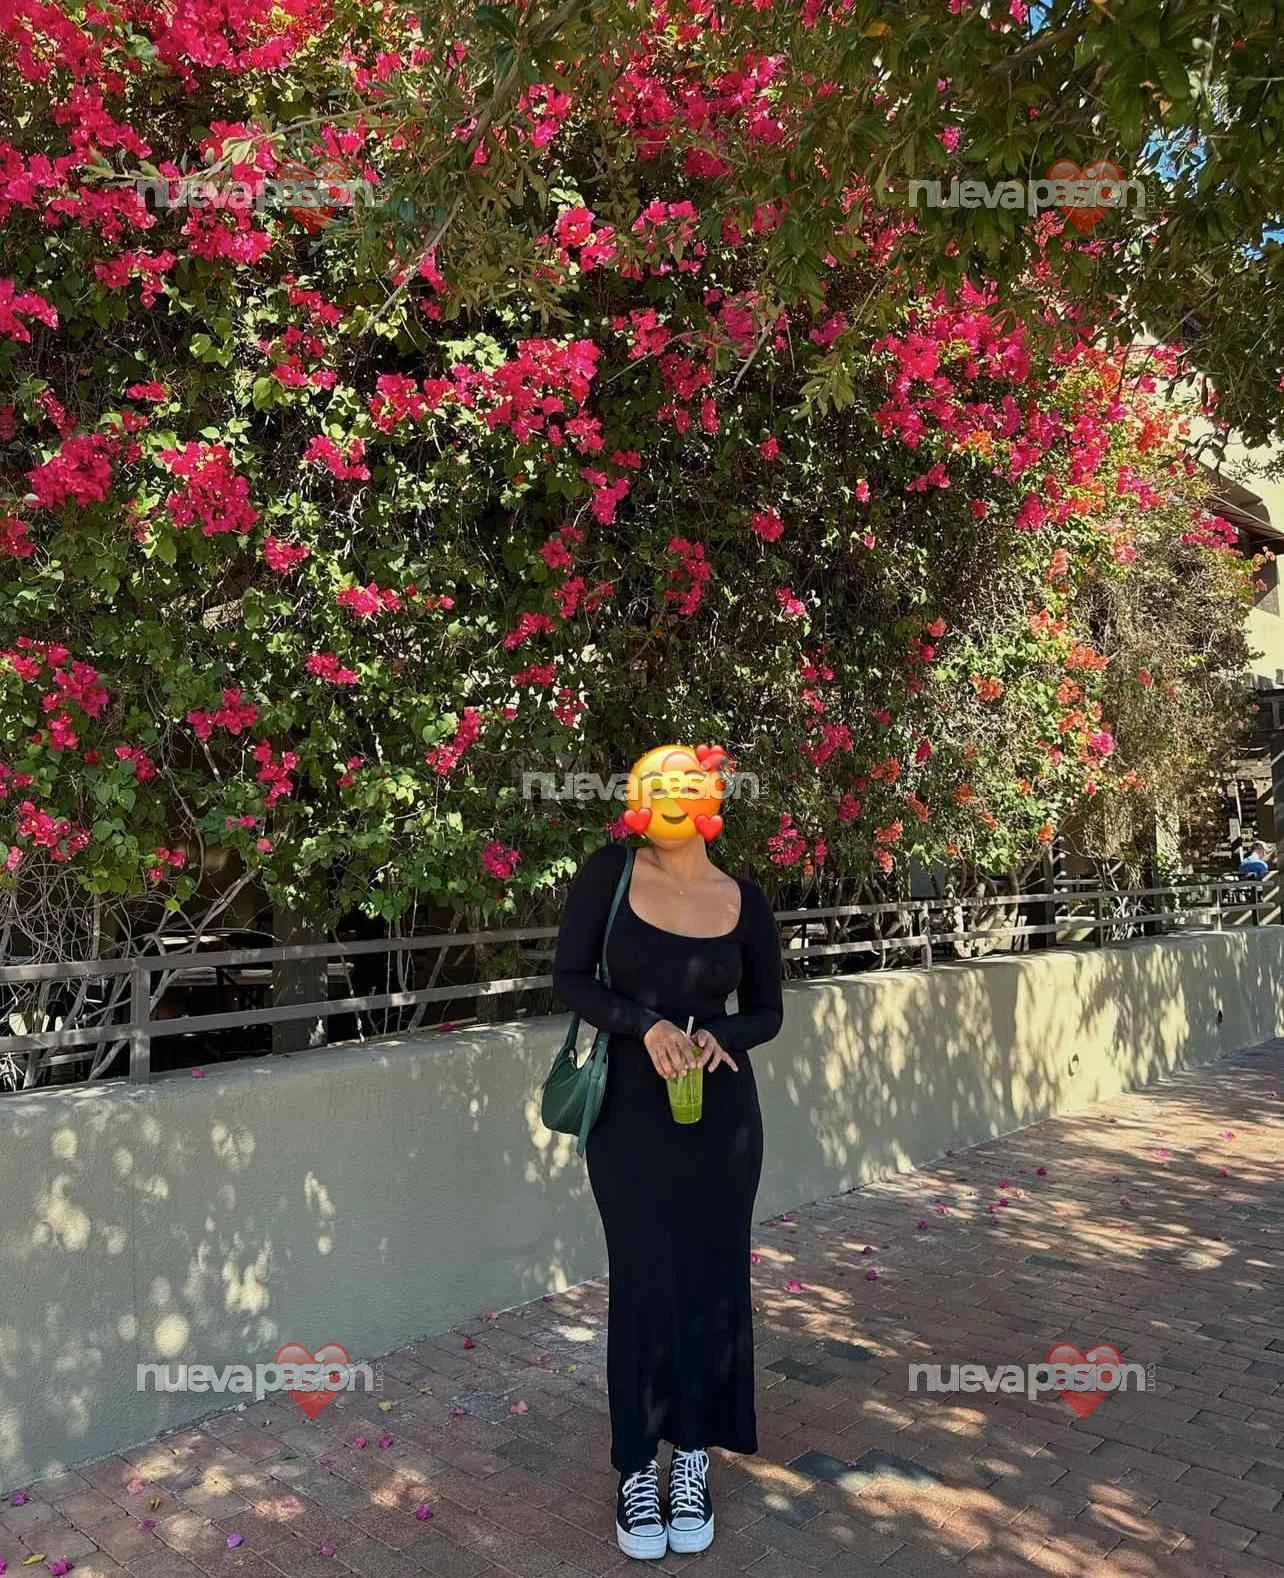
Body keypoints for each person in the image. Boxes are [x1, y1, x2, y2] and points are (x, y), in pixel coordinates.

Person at [552, 744, 783, 1561]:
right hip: (630, 1117)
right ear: (638, 798)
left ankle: (691, 1456)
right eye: (658, 785)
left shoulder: (744, 899)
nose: (673, 797)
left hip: (723, 1122)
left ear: (712, 797)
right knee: (645, 1282)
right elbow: (571, 978)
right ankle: (634, 1469)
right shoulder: (610, 874)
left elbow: (767, 1012)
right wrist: (642, 1025)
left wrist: (721, 1035)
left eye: (688, 785)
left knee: (713, 1283)